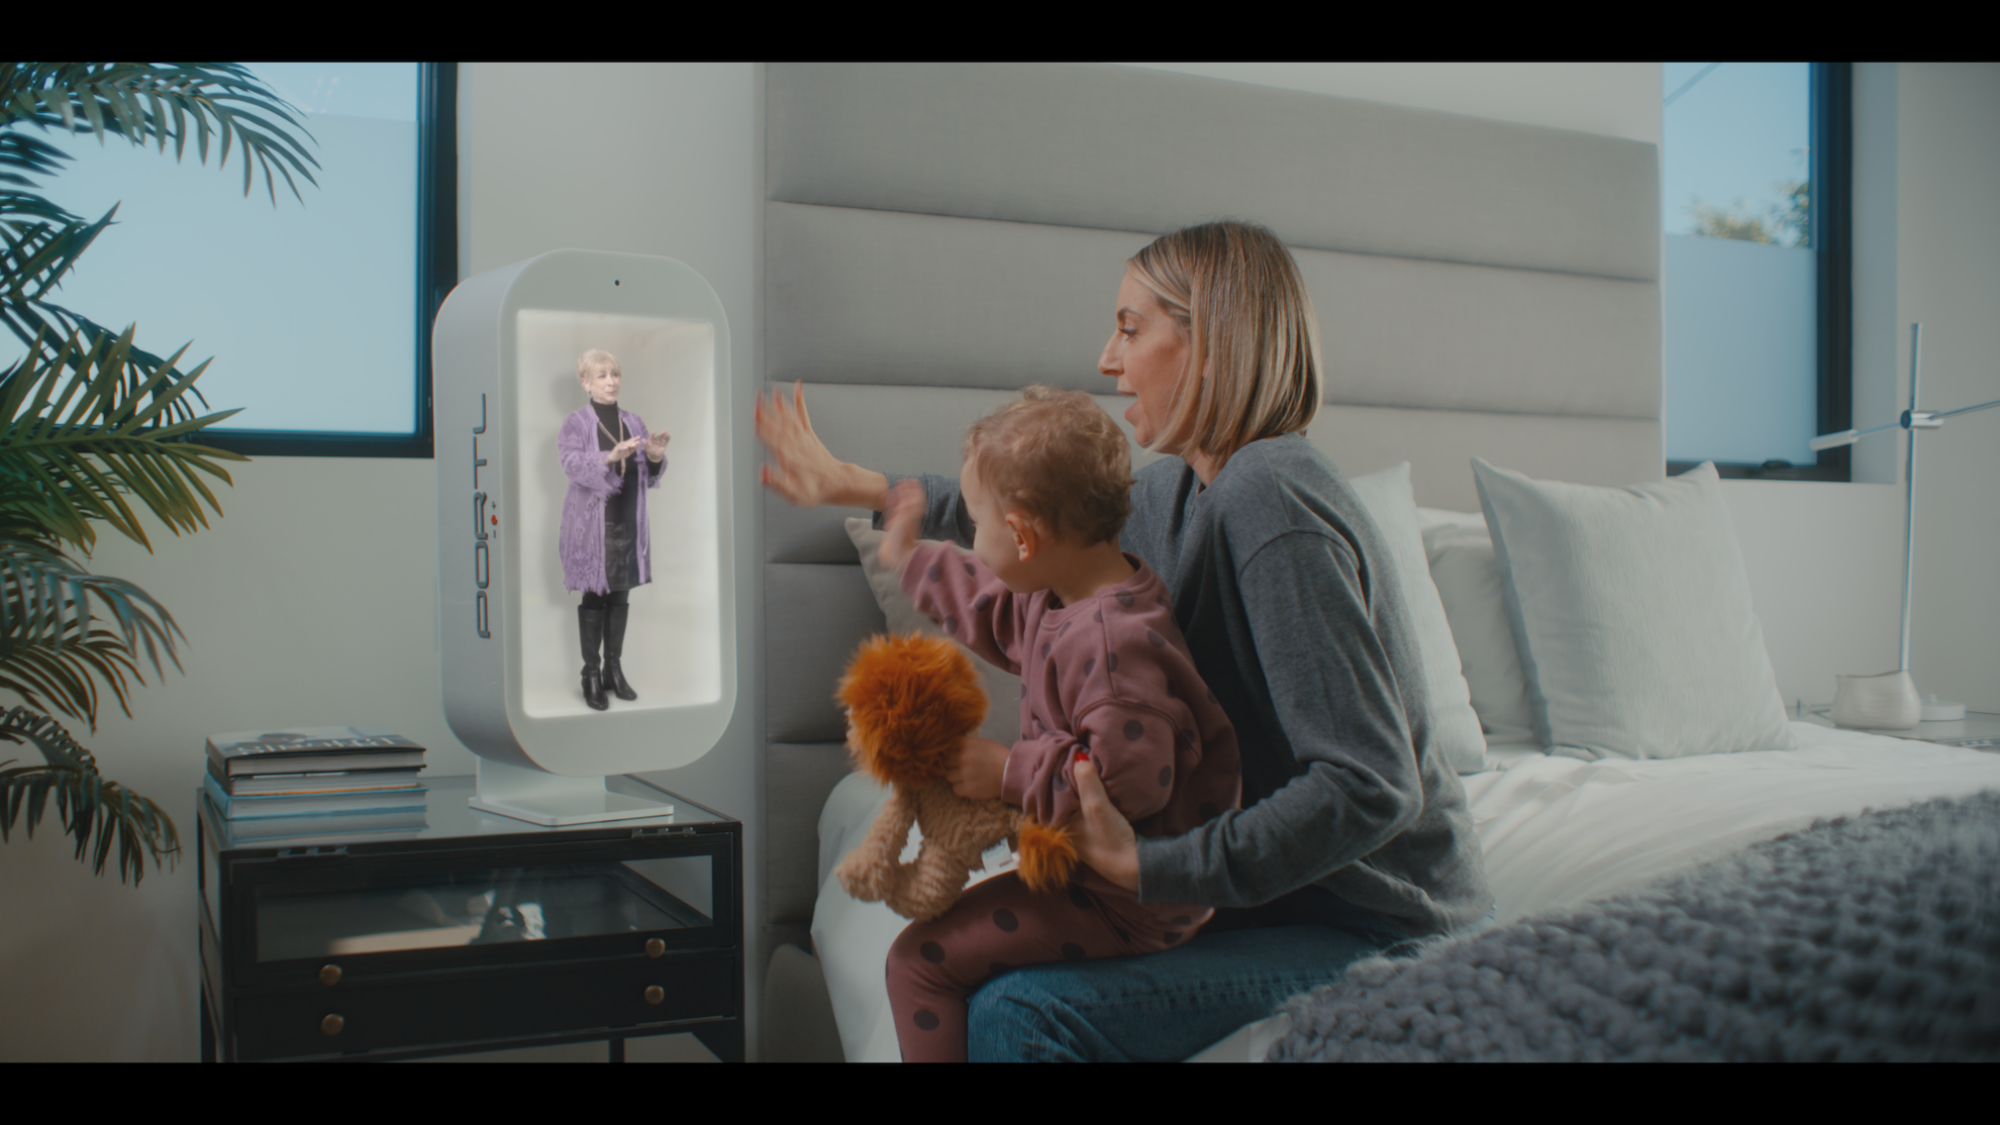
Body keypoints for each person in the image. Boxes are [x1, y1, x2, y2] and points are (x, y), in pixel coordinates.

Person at [755, 220, 1494, 1061]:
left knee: (1020, 1012)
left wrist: (1156, 868)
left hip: (1378, 926)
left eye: (1132, 328)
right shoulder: (1181, 488)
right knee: (979, 979)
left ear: (1211, 341)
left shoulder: (1271, 501)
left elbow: (1371, 785)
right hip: (1282, 901)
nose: (1107, 357)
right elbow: (1027, 507)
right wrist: (860, 486)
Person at [876, 387, 1241, 1063]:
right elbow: (995, 610)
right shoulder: (1079, 592)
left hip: (1131, 896)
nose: (974, 541)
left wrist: (1010, 771)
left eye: (978, 525)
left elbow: (1132, 786)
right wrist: (908, 558)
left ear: (1021, 535)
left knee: (917, 963)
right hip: (1103, 876)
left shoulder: (1113, 647)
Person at [558, 349, 669, 711]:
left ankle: (613, 670)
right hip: (591, 525)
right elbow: (571, 463)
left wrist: (654, 456)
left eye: (615, 374)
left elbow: (648, 477)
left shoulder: (634, 422)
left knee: (620, 595)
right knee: (594, 597)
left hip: (626, 521)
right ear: (586, 382)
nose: (610, 382)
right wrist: (608, 456)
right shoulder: (575, 422)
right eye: (602, 376)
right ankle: (590, 673)